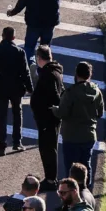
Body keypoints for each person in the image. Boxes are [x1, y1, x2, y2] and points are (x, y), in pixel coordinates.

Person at [5, 0, 72, 60]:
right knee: (45, 49)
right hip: (49, 25)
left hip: (33, 24)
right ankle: (43, 69)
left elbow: (22, 3)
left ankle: (29, 66)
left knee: (29, 48)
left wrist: (12, 12)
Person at [0, 26, 32, 155]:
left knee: (2, 116)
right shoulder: (19, 52)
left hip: (0, 88)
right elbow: (25, 73)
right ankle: (17, 142)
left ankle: (1, 145)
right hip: (16, 88)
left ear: (2, 35)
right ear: (14, 37)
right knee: (17, 114)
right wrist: (30, 88)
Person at [57, 61, 105, 177]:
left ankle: (71, 189)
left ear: (76, 74)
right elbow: (100, 113)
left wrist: (54, 109)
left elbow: (62, 113)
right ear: (90, 75)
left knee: (70, 167)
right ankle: (85, 189)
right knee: (86, 165)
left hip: (71, 136)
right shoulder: (97, 92)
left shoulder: (70, 93)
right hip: (89, 135)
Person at [29, 45, 64, 188]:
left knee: (47, 148)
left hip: (47, 118)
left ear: (39, 58)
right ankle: (50, 177)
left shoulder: (48, 74)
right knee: (49, 147)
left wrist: (47, 108)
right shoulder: (55, 71)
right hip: (49, 117)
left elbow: (54, 96)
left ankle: (50, 179)